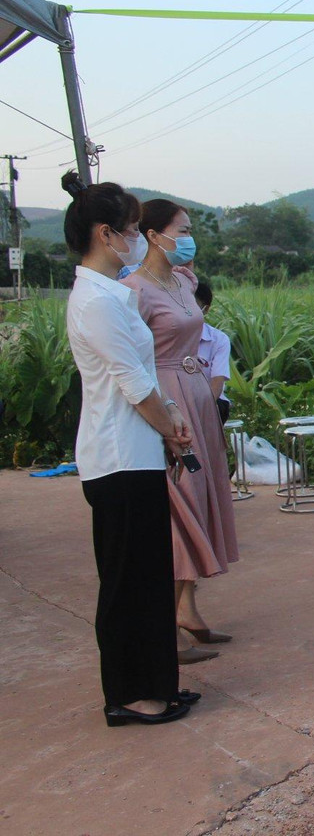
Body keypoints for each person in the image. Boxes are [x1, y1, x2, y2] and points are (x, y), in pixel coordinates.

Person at [61, 171, 198, 726]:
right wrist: (170, 425)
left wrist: (171, 422)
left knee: (147, 575)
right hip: (117, 456)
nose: (137, 239)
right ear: (105, 234)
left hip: (138, 450)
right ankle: (128, 693)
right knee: (126, 581)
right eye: (133, 230)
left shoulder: (112, 294)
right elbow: (133, 384)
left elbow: (145, 372)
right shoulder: (96, 301)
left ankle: (157, 682)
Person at [122, 199, 239, 664]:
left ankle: (187, 610)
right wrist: (163, 416)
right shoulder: (133, 290)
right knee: (180, 508)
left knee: (201, 498)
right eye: (182, 229)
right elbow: (132, 359)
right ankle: (161, 629)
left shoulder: (183, 280)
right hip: (168, 394)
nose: (189, 237)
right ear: (153, 235)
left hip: (197, 394)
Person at [193, 281, 232, 424]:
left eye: (192, 305)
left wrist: (197, 409)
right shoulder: (168, 337)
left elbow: (217, 383)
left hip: (210, 400)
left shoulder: (218, 340)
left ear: (205, 309)